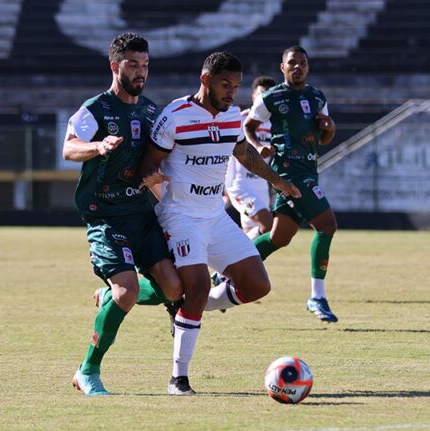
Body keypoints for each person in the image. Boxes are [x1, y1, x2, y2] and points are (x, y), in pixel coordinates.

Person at [141, 52, 300, 395]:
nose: (231, 93)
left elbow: (244, 154)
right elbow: (148, 162)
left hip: (214, 215)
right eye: (225, 85)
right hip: (180, 215)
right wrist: (153, 185)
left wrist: (278, 181)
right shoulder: (175, 115)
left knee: (258, 285)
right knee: (195, 285)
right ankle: (178, 378)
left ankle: (186, 308)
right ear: (205, 80)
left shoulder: (231, 117)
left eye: (237, 86)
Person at [63, 33, 182, 396]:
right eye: (133, 65)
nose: (141, 72)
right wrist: (98, 146)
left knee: (174, 288)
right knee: (128, 291)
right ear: (115, 66)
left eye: (145, 65)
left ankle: (108, 295)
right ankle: (87, 370)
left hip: (142, 213)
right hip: (106, 214)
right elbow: (69, 148)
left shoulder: (150, 111)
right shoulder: (95, 108)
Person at [244, 46, 339, 323]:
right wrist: (258, 145)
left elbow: (323, 139)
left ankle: (229, 267)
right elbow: (248, 126)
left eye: (302, 63)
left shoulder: (317, 96)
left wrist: (330, 128)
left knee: (278, 238)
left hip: (310, 169)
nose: (298, 67)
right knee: (327, 225)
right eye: (292, 63)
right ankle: (317, 296)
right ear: (282, 67)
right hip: (289, 173)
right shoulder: (272, 97)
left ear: (308, 68)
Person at [225, 75, 277, 239]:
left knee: (253, 234)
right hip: (239, 185)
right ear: (253, 96)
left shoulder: (276, 125)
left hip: (261, 185)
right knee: (268, 225)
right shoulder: (241, 120)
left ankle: (240, 261)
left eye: (268, 95)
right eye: (261, 94)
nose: (264, 98)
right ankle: (235, 256)